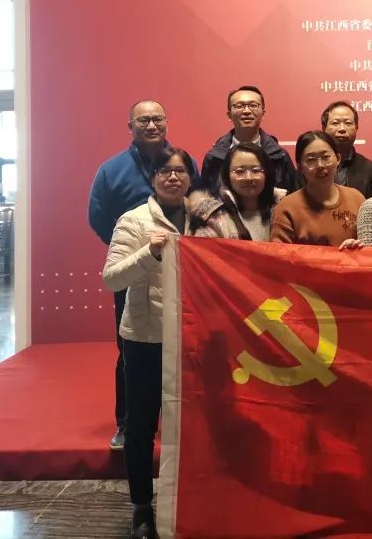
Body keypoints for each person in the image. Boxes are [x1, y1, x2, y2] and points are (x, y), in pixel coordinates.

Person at [101, 147, 215, 539]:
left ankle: (192, 499)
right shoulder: (133, 220)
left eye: (180, 170)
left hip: (196, 338)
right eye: (164, 171)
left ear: (191, 177)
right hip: (146, 338)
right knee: (141, 426)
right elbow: (112, 278)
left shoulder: (207, 219)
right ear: (152, 178)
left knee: (196, 424)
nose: (172, 177)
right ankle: (141, 507)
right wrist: (149, 253)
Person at [87, 99, 171, 452]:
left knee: (178, 348)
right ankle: (128, 423)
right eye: (143, 120)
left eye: (157, 119)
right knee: (131, 348)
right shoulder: (112, 169)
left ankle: (175, 420)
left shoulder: (180, 162)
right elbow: (98, 216)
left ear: (166, 123)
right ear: (130, 126)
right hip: (134, 270)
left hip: (178, 273)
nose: (151, 126)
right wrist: (130, 250)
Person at [270, 131, 365, 248]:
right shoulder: (287, 207)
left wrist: (359, 247)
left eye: (326, 157)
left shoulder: (356, 199)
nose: (320, 165)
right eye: (311, 160)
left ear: (338, 159)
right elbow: (280, 254)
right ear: (300, 167)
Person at [200, 85, 299, 195]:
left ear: (263, 113)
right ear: (229, 115)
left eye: (253, 105)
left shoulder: (280, 156)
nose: (246, 111)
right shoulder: (214, 157)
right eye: (239, 106)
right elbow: (207, 197)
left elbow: (292, 195)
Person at [190, 142, 280, 241]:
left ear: (267, 174)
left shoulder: (284, 210)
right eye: (240, 171)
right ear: (227, 176)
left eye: (256, 170)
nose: (248, 178)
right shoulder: (214, 220)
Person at [321, 100, 372, 199]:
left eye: (348, 123)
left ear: (356, 128)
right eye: (335, 123)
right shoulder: (311, 167)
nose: (342, 129)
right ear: (324, 128)